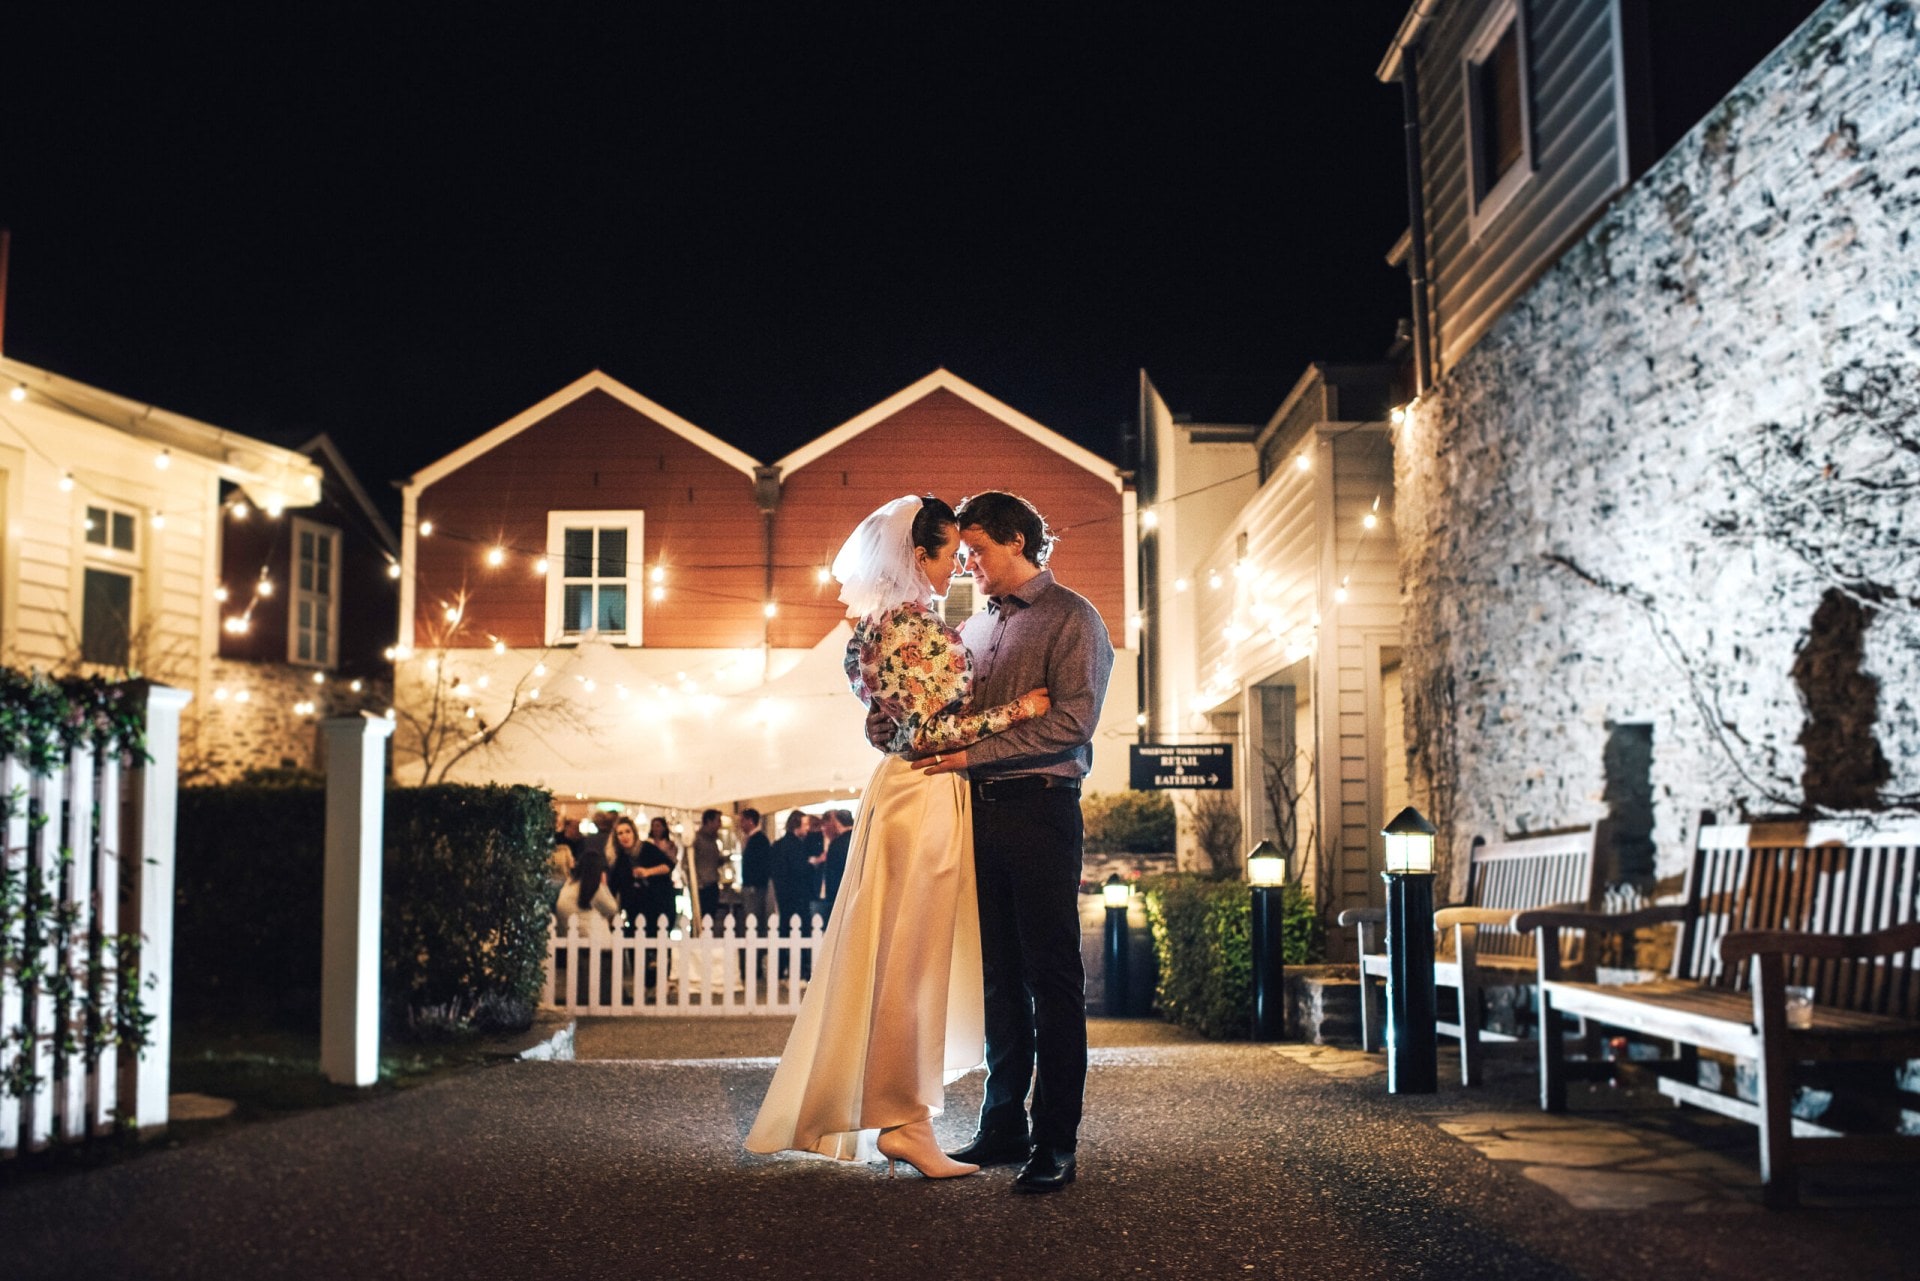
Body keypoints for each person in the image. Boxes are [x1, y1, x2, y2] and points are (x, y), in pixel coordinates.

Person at [746, 494, 1049, 1180]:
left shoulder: (882, 623)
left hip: (915, 790)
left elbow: (887, 719)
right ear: (920, 554)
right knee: (911, 958)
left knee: (906, 955)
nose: (957, 565)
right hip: (924, 792)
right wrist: (1018, 710)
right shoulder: (911, 625)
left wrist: (886, 726)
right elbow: (922, 733)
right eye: (949, 553)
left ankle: (905, 1114)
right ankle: (905, 1120)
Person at [895, 490, 1112, 1194]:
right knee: (997, 977)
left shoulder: (1073, 617)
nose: (969, 564)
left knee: (1052, 976)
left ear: (1019, 541)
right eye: (962, 554)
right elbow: (958, 715)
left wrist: (966, 758)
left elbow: (1072, 724)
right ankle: (1003, 1124)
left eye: (979, 550)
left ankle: (1056, 1138)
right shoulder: (975, 625)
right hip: (979, 814)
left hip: (1042, 808)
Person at [770, 810, 816, 979]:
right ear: (796, 825)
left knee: (784, 931)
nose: (808, 828)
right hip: (798, 896)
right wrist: (812, 864)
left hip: (783, 896)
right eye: (805, 825)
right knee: (802, 932)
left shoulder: (778, 845)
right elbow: (800, 870)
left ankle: (781, 969)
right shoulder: (796, 846)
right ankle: (802, 971)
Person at [554, 839, 618, 941]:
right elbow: (612, 908)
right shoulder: (593, 887)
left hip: (570, 939)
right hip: (594, 941)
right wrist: (604, 885)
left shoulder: (569, 884)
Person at [737, 808, 774, 935]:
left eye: (742, 821)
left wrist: (754, 884)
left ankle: (757, 952)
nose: (740, 825)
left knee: (754, 918)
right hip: (753, 885)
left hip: (755, 887)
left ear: (750, 821)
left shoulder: (759, 840)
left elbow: (762, 865)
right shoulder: (752, 839)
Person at [819, 809, 854, 922]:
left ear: (838, 822)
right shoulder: (857, 840)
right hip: (854, 890)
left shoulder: (837, 843)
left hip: (838, 892)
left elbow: (831, 873)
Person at [691, 808, 725, 926]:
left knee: (710, 919)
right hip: (702, 887)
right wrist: (698, 882)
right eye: (718, 821)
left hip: (712, 884)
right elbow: (689, 863)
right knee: (701, 919)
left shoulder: (713, 840)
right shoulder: (697, 839)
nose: (720, 824)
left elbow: (711, 861)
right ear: (709, 822)